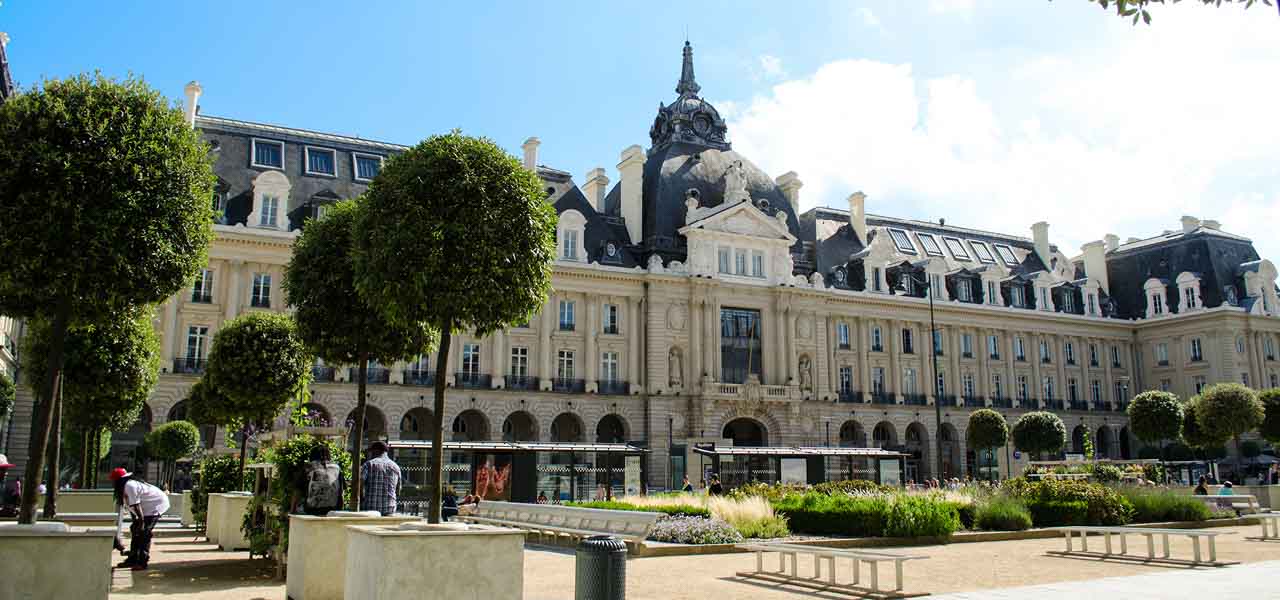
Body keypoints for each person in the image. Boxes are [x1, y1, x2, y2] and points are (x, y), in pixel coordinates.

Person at [111, 468, 169, 571]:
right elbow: (132, 508)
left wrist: (141, 523)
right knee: (135, 529)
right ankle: (132, 559)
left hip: (156, 505)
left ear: (118, 480)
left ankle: (142, 562)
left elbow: (136, 506)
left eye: (113, 481)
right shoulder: (124, 487)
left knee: (144, 533)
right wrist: (136, 523)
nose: (112, 483)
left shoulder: (129, 486)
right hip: (146, 508)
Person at [295, 445, 342, 516]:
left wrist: (292, 510)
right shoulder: (337, 468)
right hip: (333, 510)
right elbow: (341, 491)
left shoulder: (308, 467)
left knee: (299, 508)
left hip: (311, 510)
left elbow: (297, 491)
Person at [360, 441, 401, 516]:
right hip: (390, 509)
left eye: (371, 451)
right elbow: (398, 491)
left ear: (376, 451)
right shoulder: (396, 467)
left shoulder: (369, 464)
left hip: (371, 509)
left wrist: (362, 499)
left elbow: (360, 484)